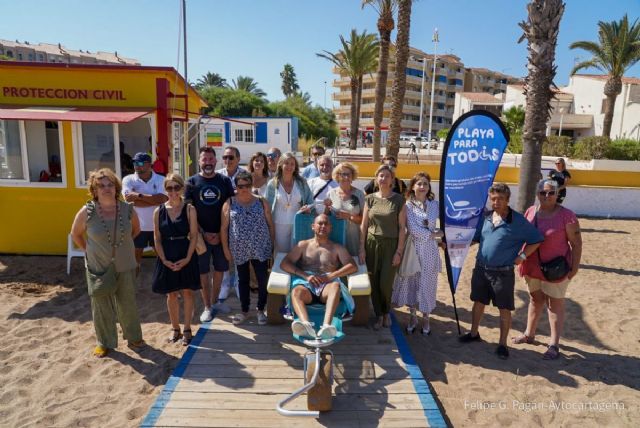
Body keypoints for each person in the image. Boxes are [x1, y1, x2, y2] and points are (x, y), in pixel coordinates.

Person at [459, 183, 544, 360]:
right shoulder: (486, 217)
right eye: (493, 199)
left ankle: (502, 344)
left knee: (504, 308)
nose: (496, 202)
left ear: (507, 200)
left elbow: (536, 240)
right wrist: (454, 245)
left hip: (503, 273)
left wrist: (522, 256)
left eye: (500, 199)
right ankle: (474, 333)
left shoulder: (519, 221)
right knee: (478, 302)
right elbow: (474, 239)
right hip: (481, 269)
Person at [70, 168, 145, 358]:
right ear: (94, 190)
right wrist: (89, 250)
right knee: (101, 304)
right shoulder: (87, 211)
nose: (106, 189)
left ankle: (134, 337)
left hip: (126, 263)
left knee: (127, 302)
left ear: (116, 187)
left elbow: (136, 230)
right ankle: (104, 342)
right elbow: (76, 234)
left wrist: (121, 246)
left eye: (110, 184)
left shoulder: (127, 209)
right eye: (101, 185)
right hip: (99, 265)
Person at [512, 179, 582, 360]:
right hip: (532, 266)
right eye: (543, 192)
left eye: (551, 192)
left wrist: (574, 268)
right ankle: (529, 334)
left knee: (555, 304)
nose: (547, 196)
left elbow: (576, 243)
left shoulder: (567, 215)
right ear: (537, 194)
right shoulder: (530, 211)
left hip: (556, 269)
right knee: (535, 299)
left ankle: (554, 344)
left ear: (557, 194)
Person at [280, 214, 358, 339]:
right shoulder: (303, 245)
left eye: (326, 224)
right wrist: (305, 276)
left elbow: (353, 266)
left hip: (327, 286)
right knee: (296, 291)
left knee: (336, 286)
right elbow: (285, 263)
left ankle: (327, 326)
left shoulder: (337, 248)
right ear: (313, 226)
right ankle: (305, 325)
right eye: (320, 223)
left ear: (330, 228)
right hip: (306, 285)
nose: (323, 226)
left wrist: (330, 277)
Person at [184, 147, 235, 323]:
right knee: (203, 272)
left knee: (220, 270)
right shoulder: (191, 182)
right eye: (204, 159)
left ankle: (215, 302)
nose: (208, 162)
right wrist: (203, 233)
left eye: (211, 159)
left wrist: (221, 232)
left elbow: (230, 207)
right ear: (199, 161)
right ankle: (207, 307)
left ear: (216, 161)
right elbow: (189, 211)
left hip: (222, 235)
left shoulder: (225, 181)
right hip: (200, 237)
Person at [151, 173, 200, 346]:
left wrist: (187, 258)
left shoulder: (189, 209)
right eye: (169, 188)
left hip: (185, 253)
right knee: (171, 294)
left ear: (182, 189)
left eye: (176, 187)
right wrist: (163, 259)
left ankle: (187, 328)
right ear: (165, 189)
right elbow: (157, 238)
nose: (172, 191)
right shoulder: (159, 211)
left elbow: (193, 236)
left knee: (187, 292)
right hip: (167, 255)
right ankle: (175, 328)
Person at [392, 173, 443, 335]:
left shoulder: (435, 205)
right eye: (419, 184)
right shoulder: (407, 206)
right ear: (413, 186)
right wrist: (435, 234)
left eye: (425, 184)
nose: (422, 187)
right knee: (412, 283)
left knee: (428, 284)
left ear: (429, 187)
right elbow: (413, 230)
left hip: (430, 251)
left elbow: (446, 223)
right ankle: (413, 317)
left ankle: (426, 318)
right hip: (413, 250)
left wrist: (441, 235)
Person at [221, 171, 275, 325]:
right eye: (240, 186)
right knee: (242, 280)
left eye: (247, 185)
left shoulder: (261, 201)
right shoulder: (229, 203)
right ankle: (244, 310)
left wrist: (271, 245)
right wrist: (225, 248)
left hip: (260, 248)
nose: (244, 188)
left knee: (262, 279)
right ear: (236, 187)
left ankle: (260, 309)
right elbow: (224, 228)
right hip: (239, 249)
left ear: (252, 185)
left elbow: (270, 225)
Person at [359, 165, 407, 330]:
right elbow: (364, 225)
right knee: (373, 282)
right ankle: (380, 315)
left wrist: (399, 252)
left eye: (387, 176)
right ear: (376, 178)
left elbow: (402, 228)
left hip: (390, 245)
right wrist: (362, 248)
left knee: (385, 283)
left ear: (392, 180)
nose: (383, 179)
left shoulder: (399, 200)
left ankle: (387, 311)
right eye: (381, 176)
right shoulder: (370, 198)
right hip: (372, 244)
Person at [122, 152, 168, 273]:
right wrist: (153, 200)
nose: (137, 166)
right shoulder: (128, 179)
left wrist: (138, 195)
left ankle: (167, 288)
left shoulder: (161, 179)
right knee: (135, 261)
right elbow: (128, 200)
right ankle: (132, 287)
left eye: (140, 163)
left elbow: (162, 199)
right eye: (135, 163)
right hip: (137, 227)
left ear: (149, 165)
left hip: (157, 226)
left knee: (163, 258)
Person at [265, 152, 314, 253]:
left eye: (292, 164)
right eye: (286, 163)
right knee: (281, 254)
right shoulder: (272, 184)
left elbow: (310, 201)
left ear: (295, 166)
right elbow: (267, 208)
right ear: (281, 165)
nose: (289, 166)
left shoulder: (301, 182)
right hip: (278, 225)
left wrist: (308, 208)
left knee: (297, 252)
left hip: (298, 223)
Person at [325, 162, 364, 257]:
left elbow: (364, 220)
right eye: (342, 174)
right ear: (337, 176)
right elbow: (326, 217)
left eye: (348, 174)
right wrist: (326, 207)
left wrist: (349, 216)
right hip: (335, 238)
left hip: (353, 239)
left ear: (352, 176)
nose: (346, 177)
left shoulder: (359, 195)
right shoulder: (331, 194)